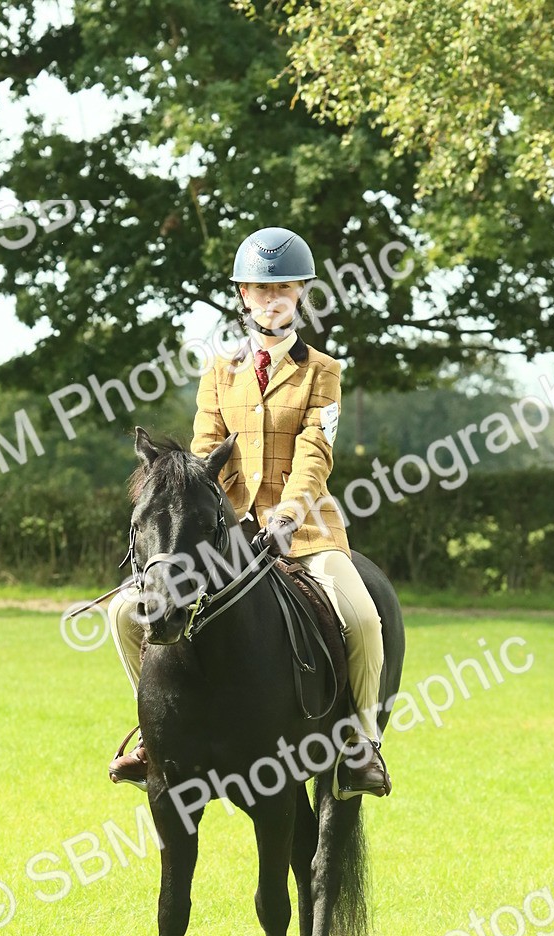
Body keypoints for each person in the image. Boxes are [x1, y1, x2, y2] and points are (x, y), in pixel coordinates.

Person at [107, 226, 391, 799]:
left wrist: (287, 517)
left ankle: (361, 745)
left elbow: (316, 451)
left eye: (283, 286)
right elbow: (205, 450)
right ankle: (154, 730)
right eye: (261, 287)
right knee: (123, 614)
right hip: (224, 534)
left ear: (302, 291)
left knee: (363, 619)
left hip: (306, 531)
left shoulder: (323, 372)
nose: (272, 296)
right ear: (243, 294)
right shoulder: (219, 372)